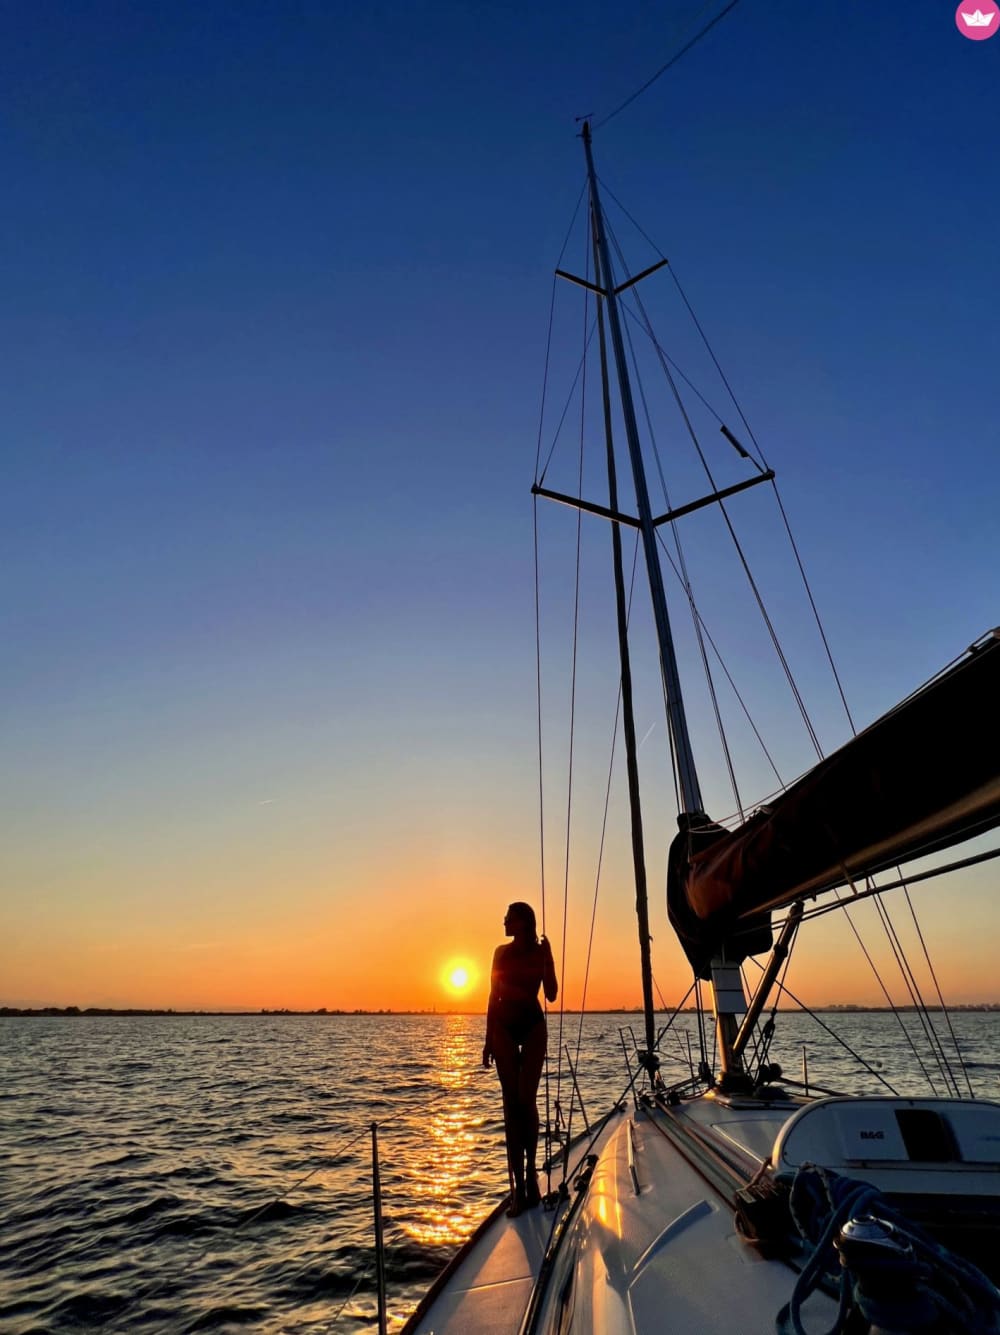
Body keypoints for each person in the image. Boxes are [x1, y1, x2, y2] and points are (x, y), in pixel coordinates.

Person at [482, 902, 558, 1216]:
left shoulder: (540, 952)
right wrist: (487, 1040)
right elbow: (491, 994)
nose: (503, 921)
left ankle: (531, 1177)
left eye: (509, 918)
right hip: (502, 1026)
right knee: (511, 1106)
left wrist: (550, 957)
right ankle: (516, 1191)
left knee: (526, 1101)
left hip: (532, 1025)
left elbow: (551, 994)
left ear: (523, 922)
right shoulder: (500, 953)